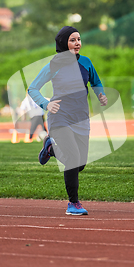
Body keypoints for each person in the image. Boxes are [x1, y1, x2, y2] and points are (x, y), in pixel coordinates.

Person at [28, 26, 107, 216]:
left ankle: (51, 149)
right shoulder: (54, 65)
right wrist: (46, 104)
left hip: (81, 118)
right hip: (59, 117)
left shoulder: (86, 62)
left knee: (80, 164)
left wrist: (100, 94)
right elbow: (33, 88)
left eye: (79, 39)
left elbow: (95, 81)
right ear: (64, 43)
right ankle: (73, 203)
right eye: (73, 40)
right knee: (72, 159)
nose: (77, 43)